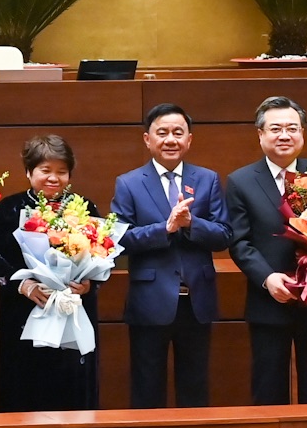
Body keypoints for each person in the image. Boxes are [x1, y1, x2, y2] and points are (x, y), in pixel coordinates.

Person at [110, 102, 229, 408]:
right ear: (147, 139)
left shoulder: (208, 179)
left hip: (197, 301)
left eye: (178, 132)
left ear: (189, 139)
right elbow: (119, 239)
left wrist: (191, 224)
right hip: (150, 301)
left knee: (195, 387)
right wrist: (165, 229)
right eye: (162, 132)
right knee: (147, 388)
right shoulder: (129, 183)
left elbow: (224, 234)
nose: (170, 139)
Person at [226, 95, 307, 404]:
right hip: (268, 302)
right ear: (260, 134)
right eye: (275, 128)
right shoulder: (240, 181)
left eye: (292, 128)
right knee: (268, 393)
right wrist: (267, 278)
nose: (284, 135)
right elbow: (239, 241)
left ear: (303, 132)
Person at [0, 134, 100, 412]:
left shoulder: (85, 208)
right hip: (23, 312)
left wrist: (89, 282)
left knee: (72, 391)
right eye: (45, 170)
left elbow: (101, 253)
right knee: (24, 388)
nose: (53, 178)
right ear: (29, 172)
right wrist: (23, 285)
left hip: (73, 313)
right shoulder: (9, 208)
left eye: (61, 172)